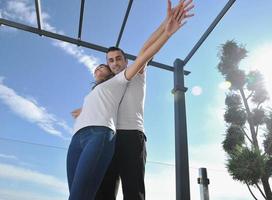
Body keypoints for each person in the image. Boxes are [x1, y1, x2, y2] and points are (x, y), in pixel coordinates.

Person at [66, 2, 191, 200]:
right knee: (104, 192)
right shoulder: (110, 86)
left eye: (118, 58)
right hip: (110, 139)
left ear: (126, 61)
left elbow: (146, 49)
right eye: (111, 60)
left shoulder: (136, 72)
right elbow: (100, 104)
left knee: (133, 192)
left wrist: (166, 24)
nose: (115, 63)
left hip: (132, 136)